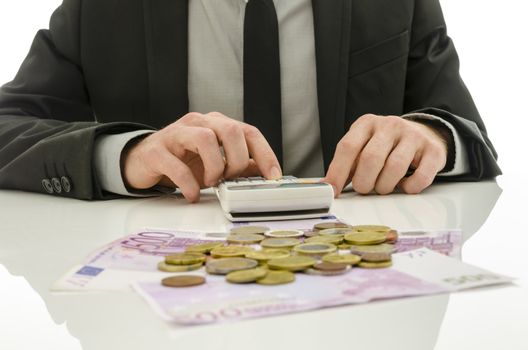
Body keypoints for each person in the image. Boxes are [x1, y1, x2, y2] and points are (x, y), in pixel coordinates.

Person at [0, 0, 501, 203]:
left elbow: (466, 132)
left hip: (359, 294)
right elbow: (7, 124)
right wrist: (125, 154)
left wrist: (432, 136)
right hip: (162, 299)